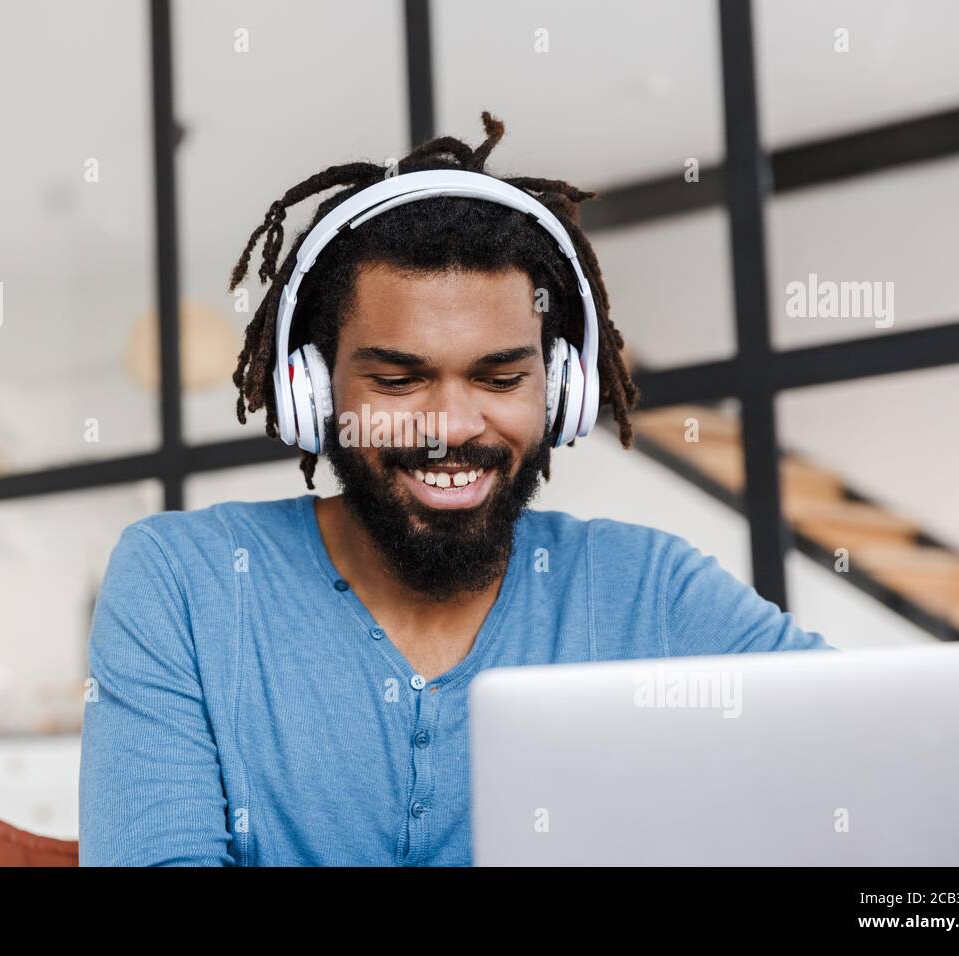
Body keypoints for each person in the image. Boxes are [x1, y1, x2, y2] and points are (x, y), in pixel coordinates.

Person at [79, 113, 831, 866]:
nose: (452, 425)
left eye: (501, 379)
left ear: (560, 392)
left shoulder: (649, 590)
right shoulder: (184, 579)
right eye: (398, 380)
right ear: (314, 393)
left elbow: (871, 755)